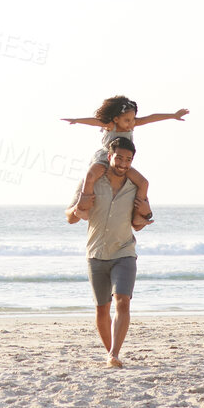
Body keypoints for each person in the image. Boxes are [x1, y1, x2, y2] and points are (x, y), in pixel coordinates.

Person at [66, 137, 149, 366]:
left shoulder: (134, 186)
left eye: (129, 159)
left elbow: (138, 224)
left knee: (122, 301)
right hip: (96, 254)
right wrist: (79, 206)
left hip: (124, 252)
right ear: (109, 156)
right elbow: (70, 218)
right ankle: (110, 352)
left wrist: (147, 212)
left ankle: (114, 353)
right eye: (119, 158)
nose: (123, 163)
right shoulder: (91, 182)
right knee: (102, 309)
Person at [61, 95, 188, 227]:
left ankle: (138, 216)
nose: (131, 123)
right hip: (104, 158)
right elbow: (95, 121)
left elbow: (150, 118)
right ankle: (83, 208)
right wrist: (76, 120)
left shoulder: (132, 125)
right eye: (127, 120)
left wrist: (173, 115)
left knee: (143, 183)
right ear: (116, 119)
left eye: (133, 119)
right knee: (92, 174)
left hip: (122, 162)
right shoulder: (111, 125)